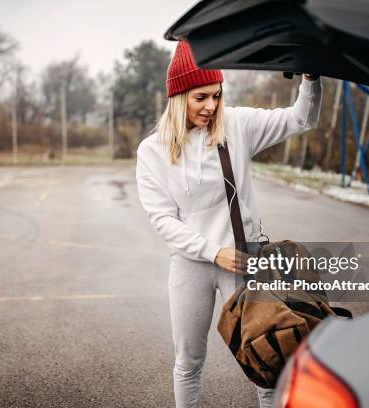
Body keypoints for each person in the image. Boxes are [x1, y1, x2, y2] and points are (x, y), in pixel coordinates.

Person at [135, 41, 322, 408]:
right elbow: (162, 219)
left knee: (266, 361)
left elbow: (302, 118)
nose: (211, 106)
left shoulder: (237, 125)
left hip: (244, 262)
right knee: (188, 362)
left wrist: (311, 75)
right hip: (192, 266)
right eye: (201, 97)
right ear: (178, 97)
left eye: (217, 96)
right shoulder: (152, 151)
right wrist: (211, 251)